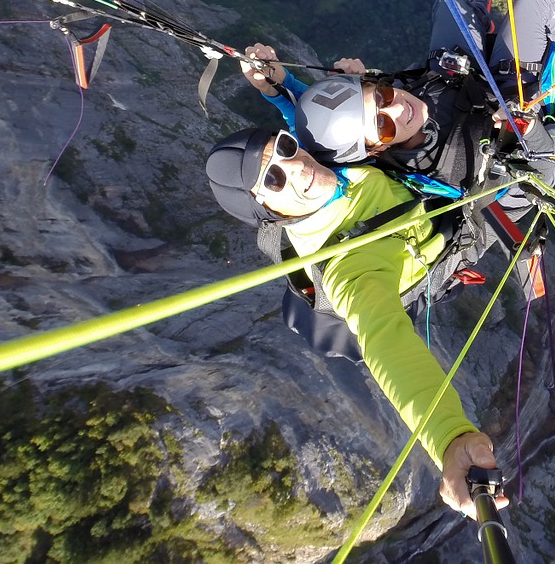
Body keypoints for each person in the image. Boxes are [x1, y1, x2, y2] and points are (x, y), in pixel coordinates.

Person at [206, 126, 508, 519]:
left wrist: (279, 82)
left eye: (283, 147)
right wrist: (449, 438)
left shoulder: (327, 166)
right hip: (466, 228)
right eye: (274, 179)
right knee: (543, 165)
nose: (295, 166)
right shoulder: (348, 270)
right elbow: (386, 342)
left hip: (440, 187)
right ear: (269, 212)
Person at [242, 0, 555, 200]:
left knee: (448, 4)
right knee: (532, 4)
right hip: (510, 109)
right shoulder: (438, 171)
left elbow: (313, 129)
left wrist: (277, 85)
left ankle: (476, 15)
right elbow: (539, 171)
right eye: (383, 125)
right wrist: (522, 129)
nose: (397, 110)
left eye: (381, 96)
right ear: (374, 151)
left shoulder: (376, 116)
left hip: (451, 75)